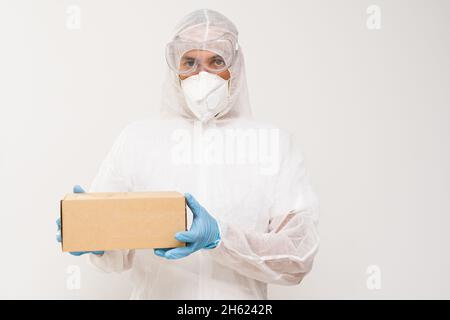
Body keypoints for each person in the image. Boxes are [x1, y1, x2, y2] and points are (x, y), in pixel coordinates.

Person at [56, 8, 320, 299]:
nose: (202, 74)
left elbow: (298, 256)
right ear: (175, 69)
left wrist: (221, 237)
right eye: (190, 62)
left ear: (236, 67)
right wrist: (94, 235)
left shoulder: (274, 145)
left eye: (216, 60)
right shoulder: (138, 140)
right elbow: (115, 252)